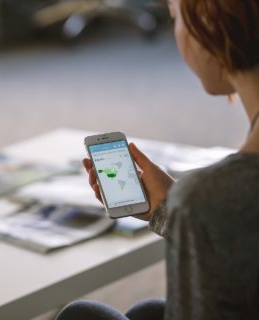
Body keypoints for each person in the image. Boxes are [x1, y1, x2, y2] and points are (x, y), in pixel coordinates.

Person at [56, 0, 259, 319]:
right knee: (146, 312)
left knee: (82, 315)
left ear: (209, 26)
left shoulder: (212, 197)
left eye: (175, 18)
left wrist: (191, 206)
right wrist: (168, 210)